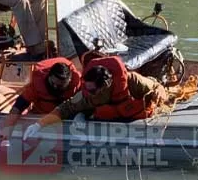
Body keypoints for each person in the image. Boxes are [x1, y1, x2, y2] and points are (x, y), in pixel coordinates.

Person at [23, 52, 169, 139]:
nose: (88, 93)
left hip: (138, 116)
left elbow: (158, 88)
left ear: (105, 85)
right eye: (86, 88)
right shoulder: (87, 94)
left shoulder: (133, 82)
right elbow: (66, 107)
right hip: (113, 124)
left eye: (92, 90)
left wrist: (157, 99)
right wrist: (40, 124)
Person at [2, 57, 81, 130]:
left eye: (60, 86)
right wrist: (8, 127)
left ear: (69, 81)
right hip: (39, 118)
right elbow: (19, 106)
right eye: (53, 83)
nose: (55, 87)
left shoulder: (77, 85)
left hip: (66, 121)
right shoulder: (38, 83)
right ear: (49, 76)